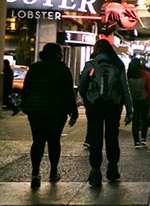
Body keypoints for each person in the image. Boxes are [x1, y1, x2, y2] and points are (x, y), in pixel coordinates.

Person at [18, 43, 78, 188]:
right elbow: (68, 94)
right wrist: (73, 112)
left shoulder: (34, 69)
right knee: (54, 141)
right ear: (57, 54)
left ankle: (35, 173)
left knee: (38, 141)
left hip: (36, 110)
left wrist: (25, 106)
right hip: (56, 111)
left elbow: (26, 90)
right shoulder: (63, 70)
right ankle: (53, 171)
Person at [78, 39, 133, 186]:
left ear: (99, 49)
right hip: (113, 106)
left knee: (95, 136)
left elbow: (82, 86)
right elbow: (124, 89)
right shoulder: (117, 64)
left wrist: (87, 100)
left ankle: (95, 171)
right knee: (112, 135)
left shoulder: (91, 64)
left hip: (94, 106)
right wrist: (129, 109)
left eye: (96, 47)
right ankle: (113, 169)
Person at [127, 58, 150, 148]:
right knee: (145, 119)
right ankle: (143, 139)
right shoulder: (145, 74)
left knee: (135, 121)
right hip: (144, 99)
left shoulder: (128, 75)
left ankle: (136, 142)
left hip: (133, 100)